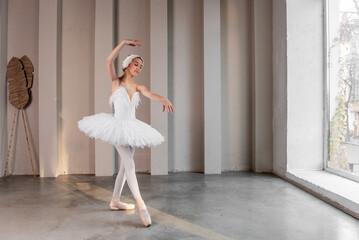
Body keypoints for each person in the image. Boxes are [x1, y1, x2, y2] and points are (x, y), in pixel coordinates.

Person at [78, 39, 174, 227]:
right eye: (136, 64)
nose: (139, 68)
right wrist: (123, 43)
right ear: (127, 65)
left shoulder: (138, 86)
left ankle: (115, 201)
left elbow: (150, 94)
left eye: (141, 66)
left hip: (131, 127)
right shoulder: (115, 82)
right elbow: (108, 61)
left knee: (124, 166)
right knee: (129, 163)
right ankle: (141, 204)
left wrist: (163, 98)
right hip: (116, 126)